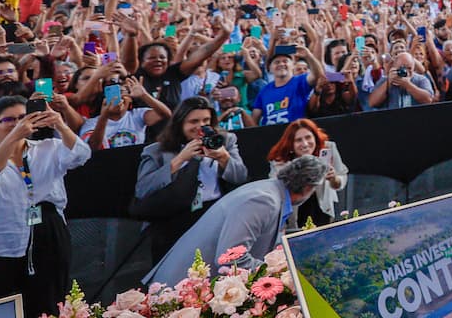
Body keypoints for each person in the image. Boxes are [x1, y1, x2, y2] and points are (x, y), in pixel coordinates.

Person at [143, 154, 328, 288]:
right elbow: (230, 258)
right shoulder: (264, 201)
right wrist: (278, 276)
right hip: (177, 289)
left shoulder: (271, 191)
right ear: (308, 187)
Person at [0, 96, 91, 318]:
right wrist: (15, 135)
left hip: (47, 231)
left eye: (22, 117)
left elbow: (82, 155)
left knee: (50, 301)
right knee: (4, 303)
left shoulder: (48, 148)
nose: (18, 123)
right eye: (9, 119)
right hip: (3, 242)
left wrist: (59, 124)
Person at [133, 96, 249, 264]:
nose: (200, 126)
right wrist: (178, 161)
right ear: (180, 123)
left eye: (206, 120)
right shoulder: (156, 151)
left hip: (214, 213)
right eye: (193, 121)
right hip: (173, 220)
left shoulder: (225, 140)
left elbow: (241, 177)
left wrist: (224, 158)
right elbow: (143, 189)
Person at [266, 119, 348, 228]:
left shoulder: (328, 148)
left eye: (308, 137)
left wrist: (334, 179)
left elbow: (342, 176)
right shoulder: (280, 160)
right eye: (298, 140)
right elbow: (275, 188)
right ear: (291, 144)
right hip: (296, 211)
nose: (305, 144)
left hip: (322, 207)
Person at [251, 46, 323, 126]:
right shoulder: (264, 91)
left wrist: (308, 56)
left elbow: (318, 75)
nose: (281, 64)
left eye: (285, 61)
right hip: (272, 135)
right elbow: (254, 120)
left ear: (292, 65)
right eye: (277, 62)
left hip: (296, 133)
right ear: (270, 68)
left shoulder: (300, 81)